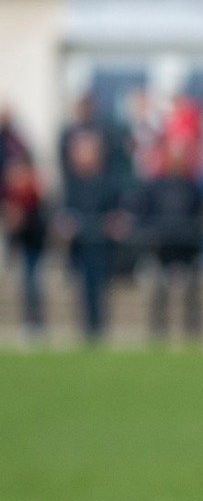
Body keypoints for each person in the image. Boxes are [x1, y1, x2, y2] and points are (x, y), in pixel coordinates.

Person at [56, 124, 132, 344]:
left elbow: (119, 212)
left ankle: (100, 328)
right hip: (80, 245)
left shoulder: (109, 181)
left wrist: (114, 223)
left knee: (101, 287)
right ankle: (88, 329)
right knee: (83, 287)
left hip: (102, 245)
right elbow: (61, 212)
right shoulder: (70, 182)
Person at [138, 132, 203, 341]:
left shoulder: (193, 187)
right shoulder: (155, 187)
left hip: (187, 245)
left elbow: (200, 213)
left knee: (192, 290)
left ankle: (192, 332)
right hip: (162, 245)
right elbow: (146, 214)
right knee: (160, 289)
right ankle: (159, 332)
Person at [3, 148, 47, 339]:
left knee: (31, 281)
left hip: (34, 241)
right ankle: (32, 320)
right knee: (27, 281)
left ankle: (34, 321)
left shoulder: (32, 190)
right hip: (23, 242)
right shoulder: (12, 190)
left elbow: (37, 220)